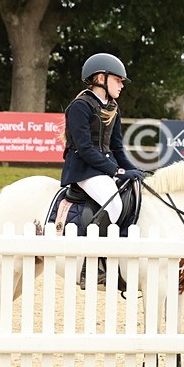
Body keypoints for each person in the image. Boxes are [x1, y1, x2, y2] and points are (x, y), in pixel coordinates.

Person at [61, 53, 144, 286]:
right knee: (114, 204)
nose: (121, 85)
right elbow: (85, 149)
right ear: (100, 78)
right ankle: (91, 265)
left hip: (102, 168)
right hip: (83, 170)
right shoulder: (79, 106)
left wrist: (134, 170)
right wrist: (116, 172)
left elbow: (116, 147)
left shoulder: (113, 108)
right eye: (118, 80)